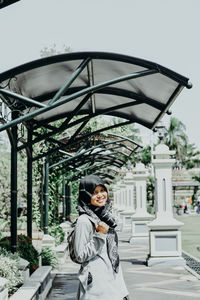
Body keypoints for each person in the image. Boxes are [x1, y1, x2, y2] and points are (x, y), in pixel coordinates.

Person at [73, 174, 129, 300]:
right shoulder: (84, 221)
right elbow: (79, 255)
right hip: (97, 287)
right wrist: (99, 235)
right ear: (86, 195)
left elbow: (111, 256)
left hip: (112, 282)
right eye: (94, 192)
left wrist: (122, 289)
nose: (100, 195)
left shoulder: (105, 217)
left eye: (102, 190)